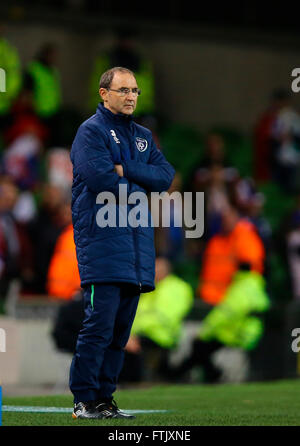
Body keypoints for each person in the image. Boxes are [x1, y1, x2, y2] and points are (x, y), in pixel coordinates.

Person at [69, 66, 175, 419]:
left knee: (119, 333)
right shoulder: (91, 132)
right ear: (104, 94)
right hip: (102, 245)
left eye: (135, 91)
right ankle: (84, 399)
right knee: (99, 326)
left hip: (135, 250)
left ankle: (105, 399)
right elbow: (103, 183)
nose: (130, 97)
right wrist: (138, 185)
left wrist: (126, 169)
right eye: (123, 90)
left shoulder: (143, 135)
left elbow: (165, 176)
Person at [120, 257, 193, 382]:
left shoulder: (176, 288)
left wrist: (132, 336)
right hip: (145, 334)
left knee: (126, 348)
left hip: (162, 336)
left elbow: (164, 319)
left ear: (165, 270)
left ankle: (133, 384)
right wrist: (128, 334)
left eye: (154, 268)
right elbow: (137, 316)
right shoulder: (150, 288)